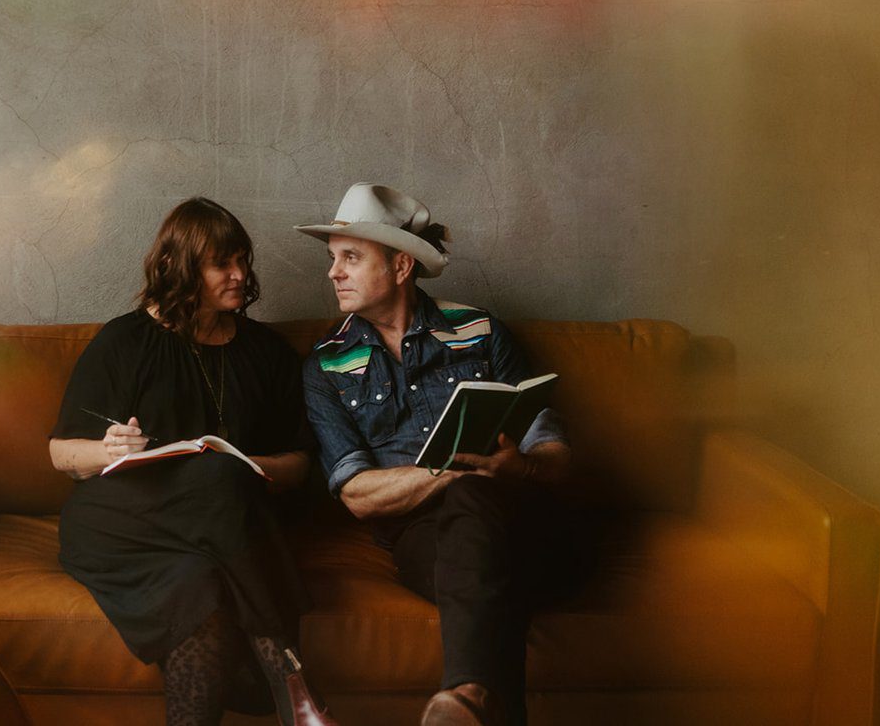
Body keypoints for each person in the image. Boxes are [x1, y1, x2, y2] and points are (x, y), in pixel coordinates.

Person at [49, 197, 340, 726]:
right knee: (216, 474)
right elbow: (61, 454)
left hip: (220, 536)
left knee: (200, 592)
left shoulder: (266, 353)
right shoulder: (125, 341)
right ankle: (292, 681)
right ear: (182, 268)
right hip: (126, 526)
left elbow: (301, 461)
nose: (239, 274)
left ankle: (287, 691)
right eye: (221, 263)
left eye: (242, 260)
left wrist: (253, 473)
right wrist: (109, 448)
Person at [295, 183, 574, 726]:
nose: (333, 273)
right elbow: (356, 495)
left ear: (401, 266)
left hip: (522, 519)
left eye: (350, 257)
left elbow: (558, 455)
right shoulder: (325, 366)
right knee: (474, 517)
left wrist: (522, 467)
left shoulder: (482, 332)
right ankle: (467, 698)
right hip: (422, 538)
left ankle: (465, 695)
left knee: (479, 509)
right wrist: (451, 471)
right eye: (332, 259)